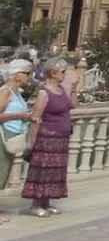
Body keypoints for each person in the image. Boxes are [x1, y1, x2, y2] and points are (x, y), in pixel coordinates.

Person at [22, 56, 78, 217]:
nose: (64, 75)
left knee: (55, 172)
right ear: (53, 72)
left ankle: (47, 202)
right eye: (62, 72)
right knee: (43, 171)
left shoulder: (61, 90)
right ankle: (35, 204)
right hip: (47, 138)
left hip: (61, 138)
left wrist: (74, 89)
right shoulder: (44, 93)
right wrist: (32, 142)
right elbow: (36, 117)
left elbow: (72, 105)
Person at [0, 58, 35, 224]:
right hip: (3, 136)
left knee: (4, 173)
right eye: (27, 73)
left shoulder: (17, 93)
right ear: (17, 75)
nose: (30, 77)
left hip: (13, 135)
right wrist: (19, 115)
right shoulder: (5, 92)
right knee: (1, 172)